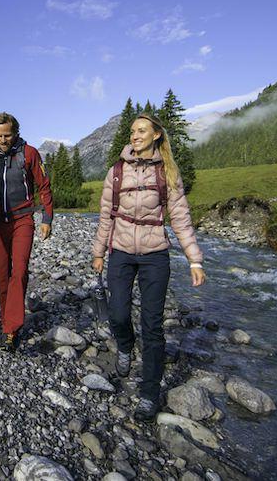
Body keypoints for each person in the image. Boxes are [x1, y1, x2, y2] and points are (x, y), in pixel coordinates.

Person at [91, 113, 206, 421]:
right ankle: (126, 346)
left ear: (156, 135)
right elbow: (106, 217)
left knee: (153, 325)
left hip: (156, 254)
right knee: (117, 313)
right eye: (132, 131)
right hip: (121, 252)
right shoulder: (116, 172)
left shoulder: (168, 172)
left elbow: (180, 217)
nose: (135, 135)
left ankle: (149, 393)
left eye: (141, 131)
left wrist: (194, 259)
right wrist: (99, 252)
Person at [0, 112, 53, 352]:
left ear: (16, 132)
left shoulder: (29, 153)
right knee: (2, 276)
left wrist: (47, 218)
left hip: (23, 220)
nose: (3, 140)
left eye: (8, 135)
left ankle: (11, 329)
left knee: (19, 272)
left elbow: (44, 185)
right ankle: (6, 322)